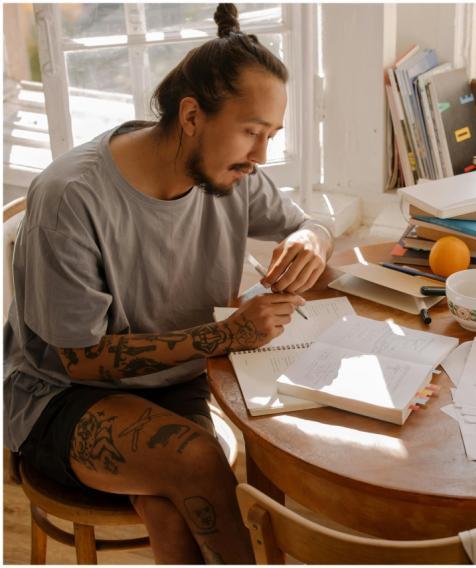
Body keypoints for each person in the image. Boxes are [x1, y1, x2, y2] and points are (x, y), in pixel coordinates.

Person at [4, 4, 333, 563]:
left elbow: (307, 221)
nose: (261, 156)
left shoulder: (230, 175)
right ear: (191, 116)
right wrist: (227, 335)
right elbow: (81, 360)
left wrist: (313, 241)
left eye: (271, 134)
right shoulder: (71, 198)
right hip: (59, 396)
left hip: (175, 385)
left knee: (173, 513)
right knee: (199, 463)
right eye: (251, 132)